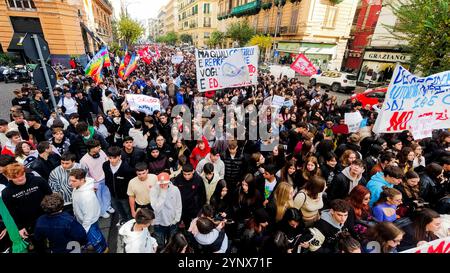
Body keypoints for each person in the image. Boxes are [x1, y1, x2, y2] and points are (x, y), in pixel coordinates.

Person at [2, 163, 52, 244]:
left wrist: (53, 214)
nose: (20, 178)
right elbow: (12, 212)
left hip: (48, 217)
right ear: (9, 178)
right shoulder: (6, 192)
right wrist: (20, 227)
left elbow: (51, 197)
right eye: (15, 177)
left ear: (24, 172)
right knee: (39, 245)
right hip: (29, 225)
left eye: (21, 175)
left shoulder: (39, 181)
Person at [69, 168, 108, 253]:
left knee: (96, 239)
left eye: (73, 181)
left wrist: (84, 228)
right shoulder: (78, 186)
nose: (70, 183)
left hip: (89, 222)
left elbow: (89, 215)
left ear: (82, 180)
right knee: (97, 235)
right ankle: (103, 247)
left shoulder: (87, 196)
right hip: (84, 219)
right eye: (70, 180)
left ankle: (102, 250)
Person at [103, 146, 135, 226]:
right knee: (118, 209)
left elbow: (131, 184)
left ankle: (130, 224)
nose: (112, 160)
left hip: (124, 196)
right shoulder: (105, 165)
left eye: (114, 158)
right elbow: (107, 177)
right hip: (113, 194)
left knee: (128, 210)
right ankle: (123, 220)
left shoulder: (127, 168)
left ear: (120, 157)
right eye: (110, 158)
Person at [150, 172, 182, 250]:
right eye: (161, 184)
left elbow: (178, 205)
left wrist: (177, 219)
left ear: (169, 181)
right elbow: (156, 208)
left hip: (172, 222)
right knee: (160, 244)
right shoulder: (154, 190)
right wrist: (163, 193)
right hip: (158, 222)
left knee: (171, 242)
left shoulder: (175, 189)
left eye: (165, 184)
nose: (162, 186)